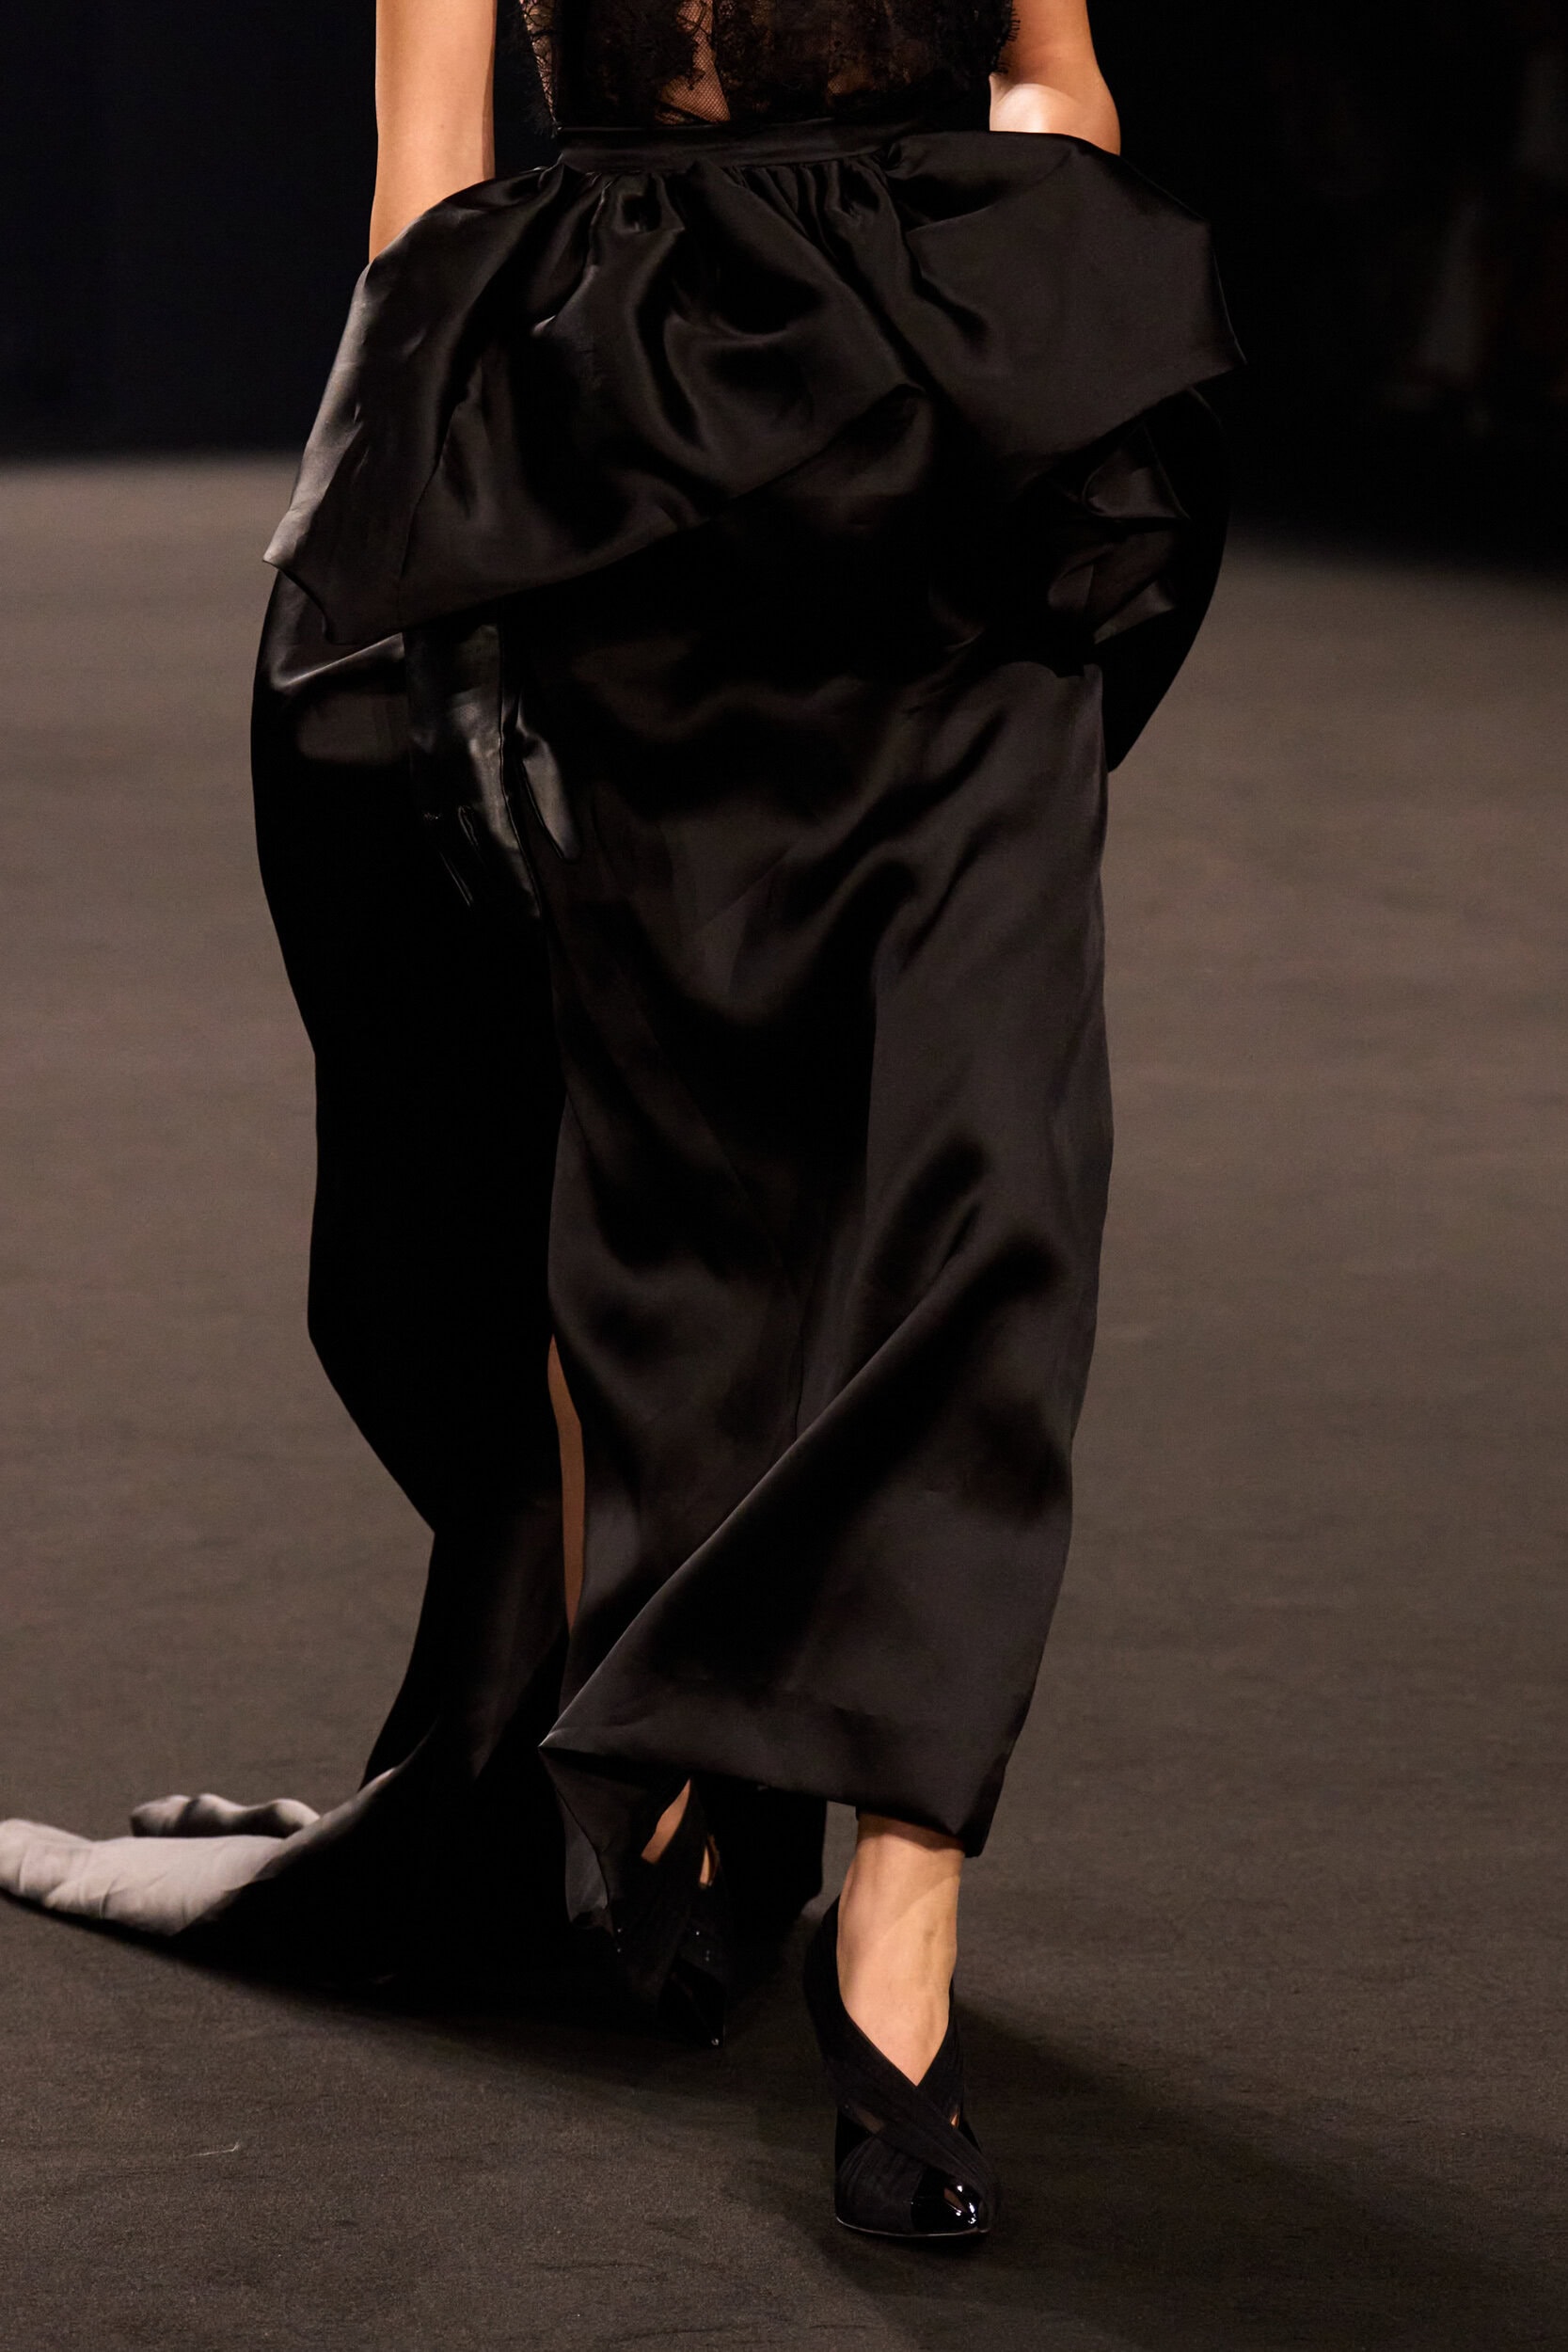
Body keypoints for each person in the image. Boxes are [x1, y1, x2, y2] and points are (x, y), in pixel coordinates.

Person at [0, 0, 1236, 2243]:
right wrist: (423, 588)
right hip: (635, 474)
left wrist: (1056, 312)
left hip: (943, 476)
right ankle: (655, 1757)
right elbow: (429, 188)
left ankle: (901, 1924)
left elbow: (1054, 66)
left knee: (997, 1174)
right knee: (667, 1195)